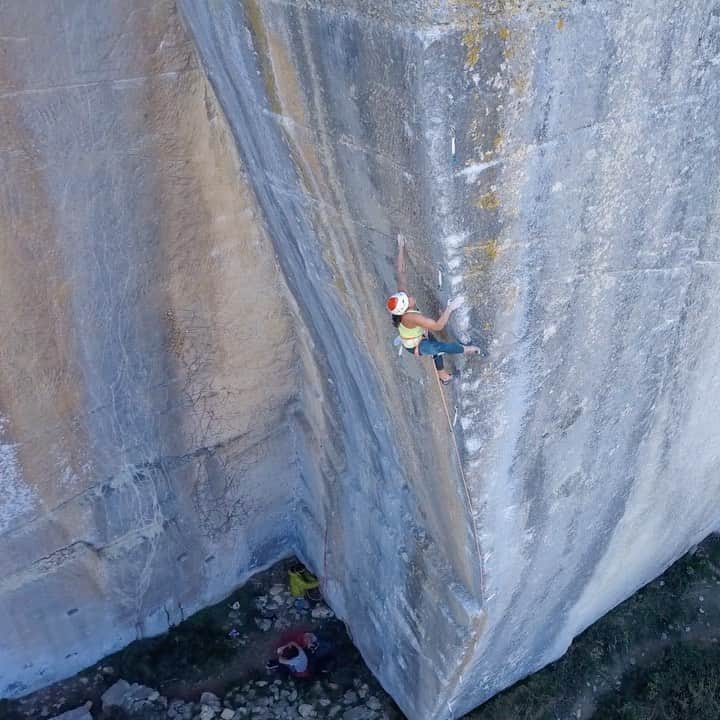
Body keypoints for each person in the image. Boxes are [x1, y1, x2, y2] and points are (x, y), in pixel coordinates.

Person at [388, 234, 480, 384]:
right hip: (416, 345)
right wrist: (450, 308)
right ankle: (468, 351)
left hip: (415, 335)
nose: (410, 297)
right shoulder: (411, 317)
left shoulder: (403, 299)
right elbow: (438, 325)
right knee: (440, 347)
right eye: (407, 300)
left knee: (435, 346)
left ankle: (443, 376)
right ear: (405, 306)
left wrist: (400, 247)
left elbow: (401, 272)